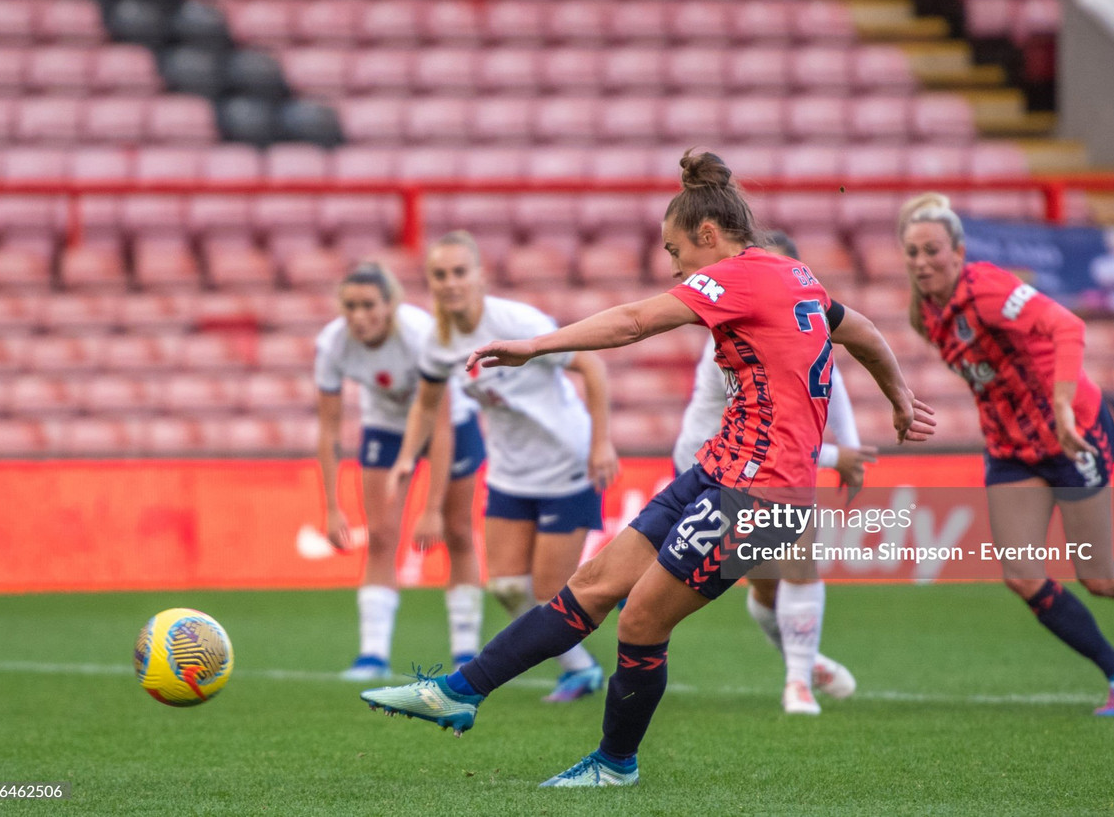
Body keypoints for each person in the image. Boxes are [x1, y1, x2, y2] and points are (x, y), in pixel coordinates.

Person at [360, 151, 935, 786]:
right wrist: (899, 397)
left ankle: (615, 764)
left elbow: (635, 321)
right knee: (593, 586)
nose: (674, 267)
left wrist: (536, 344)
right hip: (716, 473)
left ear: (708, 236)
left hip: (759, 495)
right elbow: (866, 334)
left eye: (675, 250)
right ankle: (460, 691)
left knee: (640, 618)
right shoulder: (796, 276)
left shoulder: (738, 275)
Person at [900, 192, 1114, 716]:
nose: (921, 262)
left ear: (958, 252)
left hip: (1071, 433)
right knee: (1022, 575)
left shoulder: (988, 290)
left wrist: (1063, 405)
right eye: (912, 253)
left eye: (932, 250)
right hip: (1010, 447)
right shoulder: (927, 314)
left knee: (1098, 577)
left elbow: (1067, 326)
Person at [388, 230, 619, 703]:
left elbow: (591, 367)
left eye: (459, 272)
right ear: (430, 283)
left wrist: (601, 443)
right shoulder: (438, 340)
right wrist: (408, 457)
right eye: (440, 275)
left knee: (549, 591)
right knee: (508, 586)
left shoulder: (517, 320)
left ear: (479, 276)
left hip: (566, 464)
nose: (450, 283)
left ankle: (587, 659)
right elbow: (426, 405)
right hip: (510, 471)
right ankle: (581, 669)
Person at [671, 229, 875, 715]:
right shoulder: (733, 339)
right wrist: (833, 458)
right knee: (764, 583)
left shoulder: (803, 331)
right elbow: (743, 428)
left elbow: (831, 384)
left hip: (772, 466)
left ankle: (798, 683)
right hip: (711, 467)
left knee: (798, 557)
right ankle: (803, 660)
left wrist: (846, 448)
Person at [315, 262, 487, 681]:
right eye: (350, 306)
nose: (359, 316)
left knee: (458, 531)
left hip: (452, 422)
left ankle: (466, 653)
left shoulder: (420, 334)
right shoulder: (333, 344)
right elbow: (328, 429)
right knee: (381, 535)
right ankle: (372, 656)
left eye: (369, 305)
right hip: (387, 425)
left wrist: (430, 508)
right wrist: (332, 507)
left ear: (390, 305)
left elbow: (440, 424)